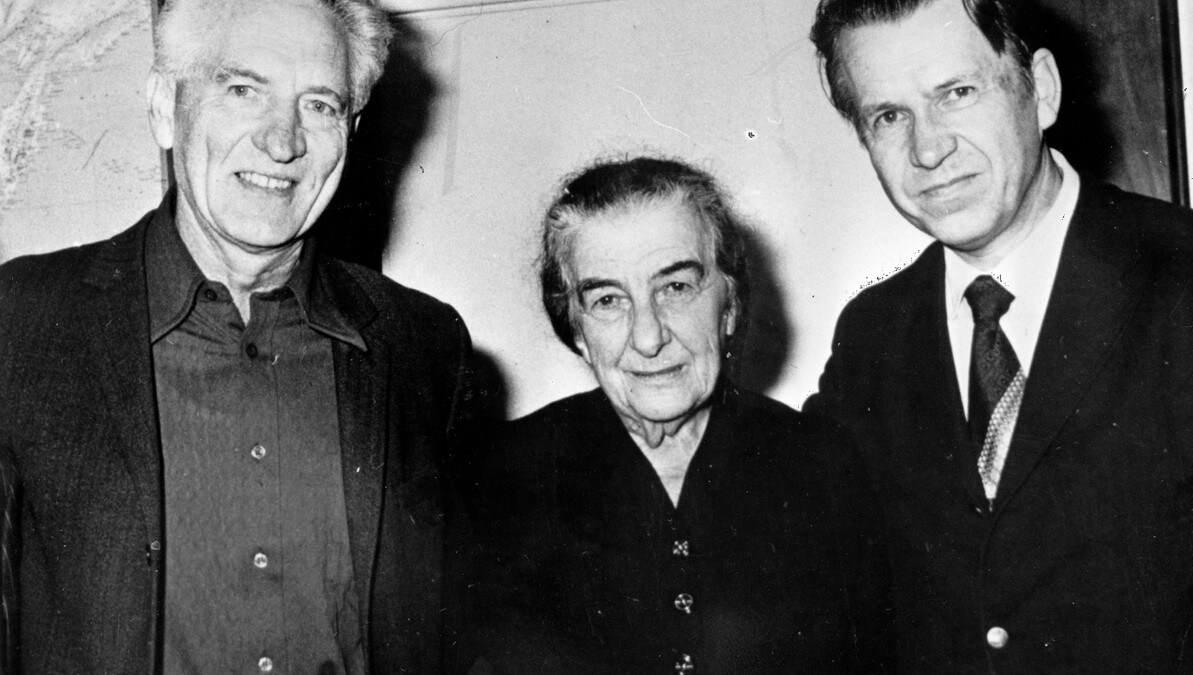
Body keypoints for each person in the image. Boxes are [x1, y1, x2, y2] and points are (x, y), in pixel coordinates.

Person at [0, 0, 475, 672]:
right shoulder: (22, 321)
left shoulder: (424, 344)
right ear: (166, 108)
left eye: (320, 105)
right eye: (244, 90)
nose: (283, 142)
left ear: (350, 131)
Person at [803, 0, 1193, 671]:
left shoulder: (1186, 277)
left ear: (1041, 90)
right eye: (889, 116)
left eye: (956, 93)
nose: (928, 149)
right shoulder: (872, 336)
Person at [466, 157, 893, 673]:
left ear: (729, 305)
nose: (648, 337)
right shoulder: (499, 480)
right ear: (576, 330)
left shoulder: (825, 466)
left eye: (676, 288)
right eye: (607, 300)